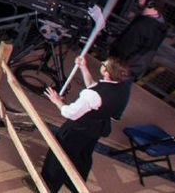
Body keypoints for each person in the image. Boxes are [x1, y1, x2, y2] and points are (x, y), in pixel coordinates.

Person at [40, 56, 128, 192]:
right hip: (97, 128)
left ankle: (48, 187)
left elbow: (70, 113)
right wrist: (83, 67)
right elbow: (95, 88)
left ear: (106, 73)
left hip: (77, 129)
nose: (102, 63)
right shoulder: (122, 87)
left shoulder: (92, 95)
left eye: (104, 64)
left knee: (58, 158)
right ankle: (75, 184)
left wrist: (57, 100)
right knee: (82, 156)